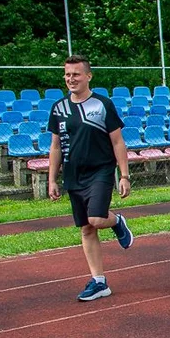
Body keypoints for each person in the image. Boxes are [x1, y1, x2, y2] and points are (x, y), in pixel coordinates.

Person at [47, 54, 135, 301]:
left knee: (96, 218)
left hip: (100, 171)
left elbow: (118, 142)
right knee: (86, 228)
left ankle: (116, 222)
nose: (70, 79)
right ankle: (99, 281)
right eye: (67, 75)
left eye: (76, 74)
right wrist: (52, 179)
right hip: (73, 175)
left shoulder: (102, 105)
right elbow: (55, 147)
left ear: (88, 76)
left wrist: (124, 175)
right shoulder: (59, 109)